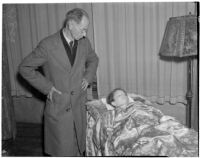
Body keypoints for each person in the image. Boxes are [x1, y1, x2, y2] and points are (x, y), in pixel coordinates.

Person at [19, 8, 99, 156]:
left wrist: (87, 77)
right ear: (70, 25)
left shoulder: (84, 42)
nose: (85, 34)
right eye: (83, 29)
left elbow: (93, 59)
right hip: (59, 107)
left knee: (78, 148)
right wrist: (47, 88)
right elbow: (25, 68)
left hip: (78, 108)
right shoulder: (48, 45)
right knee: (62, 150)